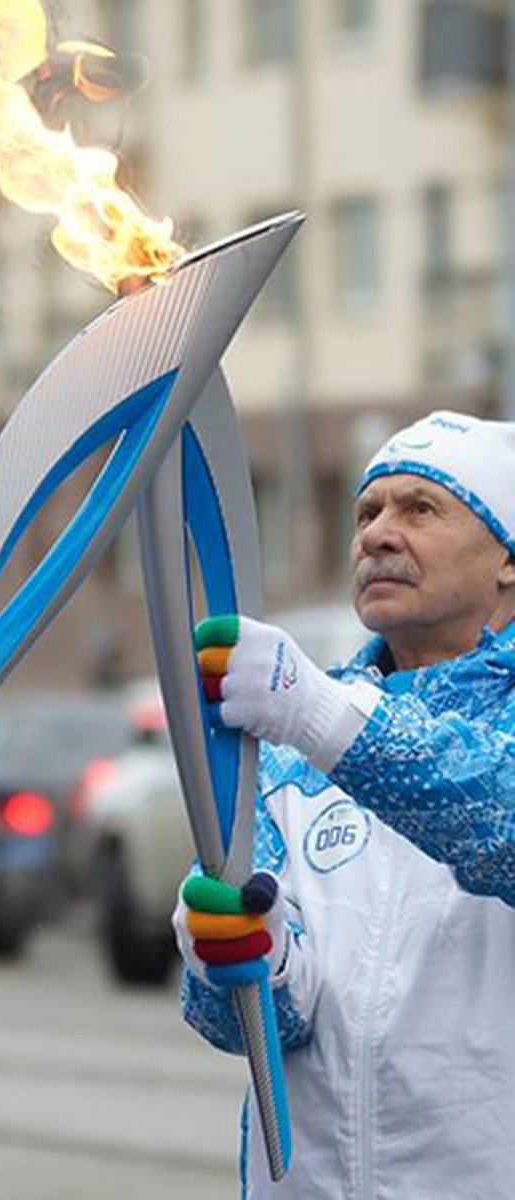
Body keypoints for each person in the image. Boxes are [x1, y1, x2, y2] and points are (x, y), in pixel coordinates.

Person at [172, 409, 515, 1198]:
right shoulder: (286, 758)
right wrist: (239, 955)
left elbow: (500, 822)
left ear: (507, 561)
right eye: (368, 513)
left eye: (421, 509)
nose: (379, 536)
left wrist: (319, 714)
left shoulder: (311, 722)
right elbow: (253, 1032)